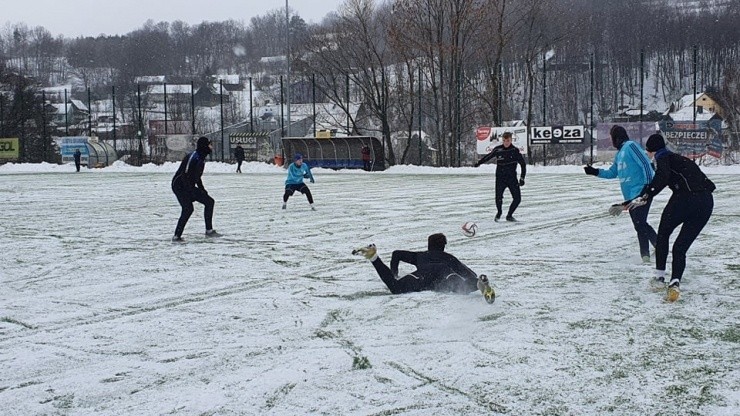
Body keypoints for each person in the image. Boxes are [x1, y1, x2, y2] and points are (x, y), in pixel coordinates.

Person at [628, 134, 715, 302]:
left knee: (663, 234)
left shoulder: (663, 158)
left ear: (652, 150)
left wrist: (646, 194)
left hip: (684, 199)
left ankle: (660, 278)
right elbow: (709, 185)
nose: (648, 154)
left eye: (648, 151)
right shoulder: (682, 160)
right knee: (680, 247)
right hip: (705, 203)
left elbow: (662, 177)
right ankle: (675, 283)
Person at [584, 125, 657, 262]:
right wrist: (595, 172)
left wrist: (648, 186)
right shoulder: (620, 154)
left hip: (641, 191)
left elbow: (646, 164)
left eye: (612, 137)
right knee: (640, 224)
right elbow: (612, 173)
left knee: (640, 224)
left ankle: (645, 256)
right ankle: (658, 245)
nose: (611, 141)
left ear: (617, 138)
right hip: (630, 196)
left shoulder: (630, 146)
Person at [352, 233, 495, 303]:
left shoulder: (420, 256)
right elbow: (469, 273)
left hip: (422, 275)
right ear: (443, 246)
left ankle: (373, 257)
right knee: (461, 287)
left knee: (395, 288)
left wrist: (395, 275)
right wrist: (475, 281)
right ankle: (481, 286)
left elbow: (396, 254)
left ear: (429, 245)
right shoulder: (449, 258)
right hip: (444, 275)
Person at [171, 136, 220, 242]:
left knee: (209, 202)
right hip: (179, 186)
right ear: (205, 146)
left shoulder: (201, 157)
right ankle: (176, 236)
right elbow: (185, 175)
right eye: (210, 144)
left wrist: (202, 189)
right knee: (188, 209)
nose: (211, 147)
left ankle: (209, 230)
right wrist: (190, 192)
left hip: (188, 185)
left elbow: (196, 176)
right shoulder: (194, 156)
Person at [474, 131, 526, 222]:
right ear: (502, 140)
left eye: (508, 140)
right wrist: (479, 163)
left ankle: (509, 215)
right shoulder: (498, 149)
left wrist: (522, 178)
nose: (506, 142)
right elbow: (488, 157)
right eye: (504, 140)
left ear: (511, 140)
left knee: (517, 199)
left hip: (512, 178)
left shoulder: (515, 151)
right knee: (498, 197)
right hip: (500, 178)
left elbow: (523, 164)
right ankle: (499, 212)